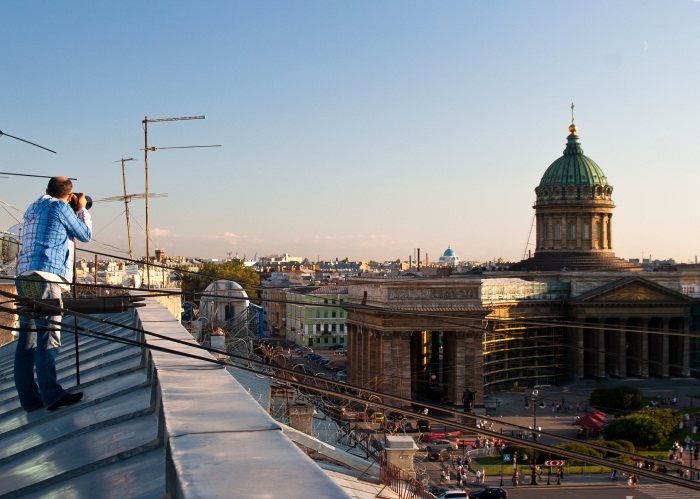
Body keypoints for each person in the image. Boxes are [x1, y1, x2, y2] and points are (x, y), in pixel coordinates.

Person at [14, 177, 92, 412]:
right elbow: (85, 234)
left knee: (26, 340)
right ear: (68, 196)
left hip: (24, 277)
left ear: (47, 190)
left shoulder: (33, 206)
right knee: (48, 336)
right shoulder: (60, 207)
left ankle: (30, 400)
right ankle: (52, 395)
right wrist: (81, 209)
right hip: (46, 277)